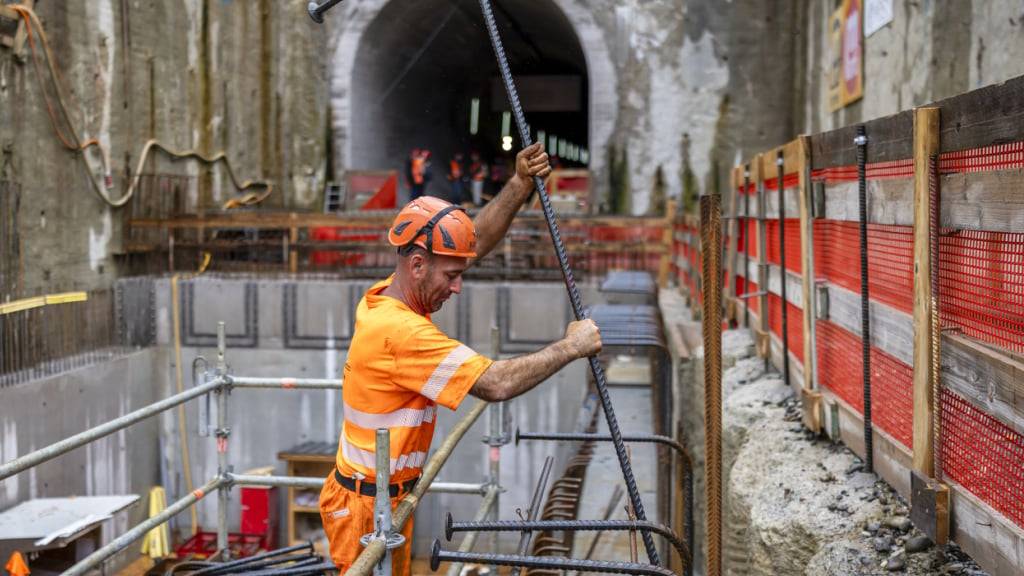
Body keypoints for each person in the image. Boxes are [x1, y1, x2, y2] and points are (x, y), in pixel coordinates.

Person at [318, 143, 599, 575]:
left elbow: (476, 241)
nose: (457, 288)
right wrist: (570, 347)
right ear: (417, 265)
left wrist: (519, 183)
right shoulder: (402, 332)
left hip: (380, 497)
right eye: (451, 277)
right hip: (364, 506)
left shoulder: (390, 299)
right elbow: (496, 383)